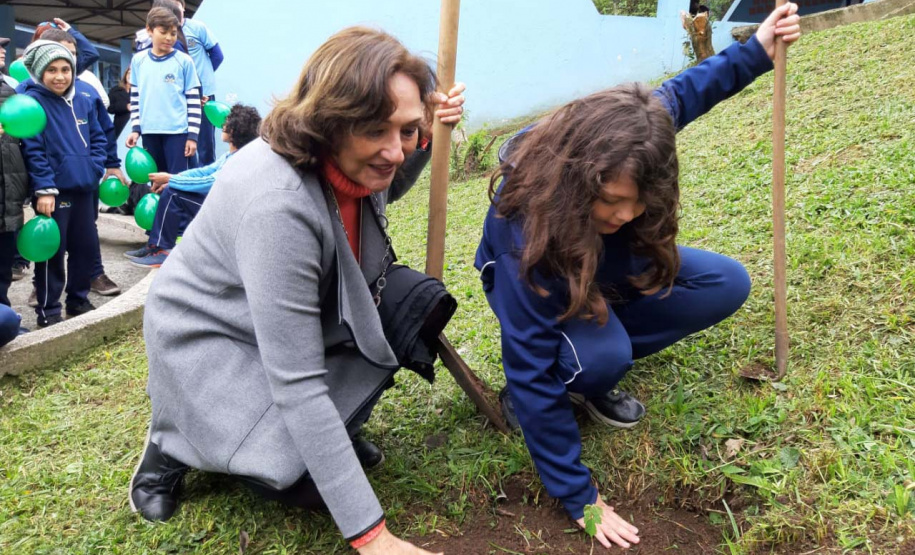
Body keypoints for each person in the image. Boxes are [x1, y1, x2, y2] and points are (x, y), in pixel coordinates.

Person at [475, 5, 801, 550]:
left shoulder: (633, 135)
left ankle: (598, 343)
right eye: (612, 203)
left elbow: (686, 91)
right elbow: (527, 360)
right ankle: (583, 371)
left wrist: (758, 48)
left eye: (637, 203)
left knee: (725, 283)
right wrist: (579, 496)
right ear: (582, 177)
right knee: (601, 358)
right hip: (547, 285)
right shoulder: (521, 222)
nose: (626, 215)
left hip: (605, 268)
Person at [128, 27, 464, 555]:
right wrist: (373, 538)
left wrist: (426, 137)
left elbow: (386, 184)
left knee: (411, 306)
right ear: (331, 119)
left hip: (291, 309)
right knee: (297, 481)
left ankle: (335, 430)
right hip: (214, 336)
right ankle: (172, 443)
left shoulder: (352, 160)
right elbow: (298, 382)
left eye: (405, 130)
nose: (395, 151)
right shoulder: (277, 203)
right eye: (377, 130)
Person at [19, 41, 106, 328]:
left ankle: (78, 300)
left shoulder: (83, 98)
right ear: (40, 73)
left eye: (66, 69)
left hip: (85, 188)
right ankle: (49, 309)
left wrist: (95, 168)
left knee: (86, 247)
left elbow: (98, 138)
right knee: (52, 252)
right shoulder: (34, 103)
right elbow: (34, 150)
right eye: (52, 70)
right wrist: (43, 188)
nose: (60, 76)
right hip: (53, 193)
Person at [35, 27, 123, 296]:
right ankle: (46, 296)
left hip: (86, 180)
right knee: (52, 244)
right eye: (56, 64)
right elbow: (33, 147)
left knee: (84, 241)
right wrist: (44, 186)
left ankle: (83, 291)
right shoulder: (32, 96)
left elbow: (102, 132)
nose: (66, 67)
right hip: (55, 187)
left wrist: (101, 164)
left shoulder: (87, 91)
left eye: (73, 56)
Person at [127, 103, 261, 268]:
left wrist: (170, 179)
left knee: (173, 193)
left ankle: (163, 250)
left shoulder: (238, 159)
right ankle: (154, 247)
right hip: (219, 208)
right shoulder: (230, 155)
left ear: (234, 130)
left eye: (226, 123)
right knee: (172, 189)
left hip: (225, 217)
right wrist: (172, 178)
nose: (222, 125)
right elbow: (202, 172)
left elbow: (209, 182)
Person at [126, 7, 201, 175]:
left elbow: (193, 102)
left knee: (177, 182)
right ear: (149, 30)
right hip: (149, 133)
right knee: (155, 182)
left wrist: (192, 136)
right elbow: (136, 98)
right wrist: (136, 129)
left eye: (173, 33)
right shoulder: (138, 61)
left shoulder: (185, 61)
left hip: (178, 134)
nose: (169, 38)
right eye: (163, 32)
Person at [0, 36, 29, 347]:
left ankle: (5, 322)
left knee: (3, 270)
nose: (2, 51)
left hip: (9, 200)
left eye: (3, 46)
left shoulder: (12, 94)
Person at [172, 0, 224, 166]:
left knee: (205, 145)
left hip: (204, 95)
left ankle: (206, 188)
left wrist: (201, 81)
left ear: (183, 6)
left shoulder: (197, 28)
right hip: (179, 96)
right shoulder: (167, 34)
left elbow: (217, 55)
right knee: (182, 143)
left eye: (175, 4)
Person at [108, 67, 131, 139]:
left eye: (133, 74)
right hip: (119, 128)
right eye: (129, 73)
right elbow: (109, 108)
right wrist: (125, 107)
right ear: (125, 75)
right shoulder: (116, 90)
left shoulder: (142, 90)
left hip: (137, 129)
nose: (130, 76)